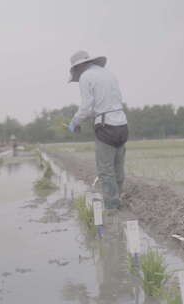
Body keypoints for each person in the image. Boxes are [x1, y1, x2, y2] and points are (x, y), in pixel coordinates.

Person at [67, 50, 129, 210]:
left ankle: (111, 206)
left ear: (78, 67)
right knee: (118, 167)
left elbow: (87, 106)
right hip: (122, 124)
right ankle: (118, 198)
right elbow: (103, 105)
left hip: (105, 127)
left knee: (105, 170)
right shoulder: (108, 74)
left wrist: (75, 121)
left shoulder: (85, 77)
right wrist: (84, 118)